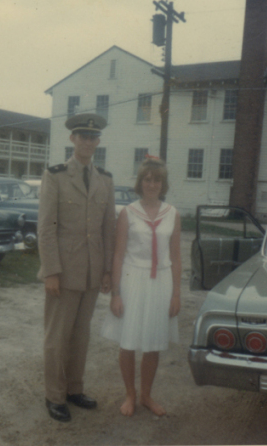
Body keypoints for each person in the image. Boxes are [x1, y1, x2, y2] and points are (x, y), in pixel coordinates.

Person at [37, 112, 116, 422]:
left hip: (92, 272)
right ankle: (54, 396)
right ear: (72, 139)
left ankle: (74, 389)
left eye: (93, 137)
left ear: (98, 141)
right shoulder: (55, 175)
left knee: (81, 336)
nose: (88, 141)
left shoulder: (105, 179)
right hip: (64, 271)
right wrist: (52, 271)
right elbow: (45, 227)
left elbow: (108, 228)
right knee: (57, 338)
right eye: (82, 136)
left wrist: (107, 270)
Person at [101, 157, 181, 417]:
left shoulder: (172, 214)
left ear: (163, 183)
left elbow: (177, 257)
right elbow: (117, 255)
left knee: (153, 342)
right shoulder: (127, 212)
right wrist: (116, 293)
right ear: (140, 182)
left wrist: (176, 294)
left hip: (161, 282)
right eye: (147, 179)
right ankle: (130, 394)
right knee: (129, 340)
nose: (152, 184)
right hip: (133, 279)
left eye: (157, 179)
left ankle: (146, 395)